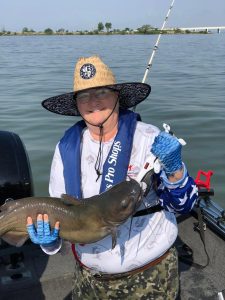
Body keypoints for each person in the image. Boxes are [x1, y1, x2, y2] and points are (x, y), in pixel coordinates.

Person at [26, 55, 198, 299]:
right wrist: (50, 241)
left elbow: (185, 204)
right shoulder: (65, 149)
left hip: (150, 276)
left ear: (118, 95)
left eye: (101, 92)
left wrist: (174, 168)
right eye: (83, 95)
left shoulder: (149, 138)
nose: (92, 101)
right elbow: (62, 218)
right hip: (89, 280)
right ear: (76, 104)